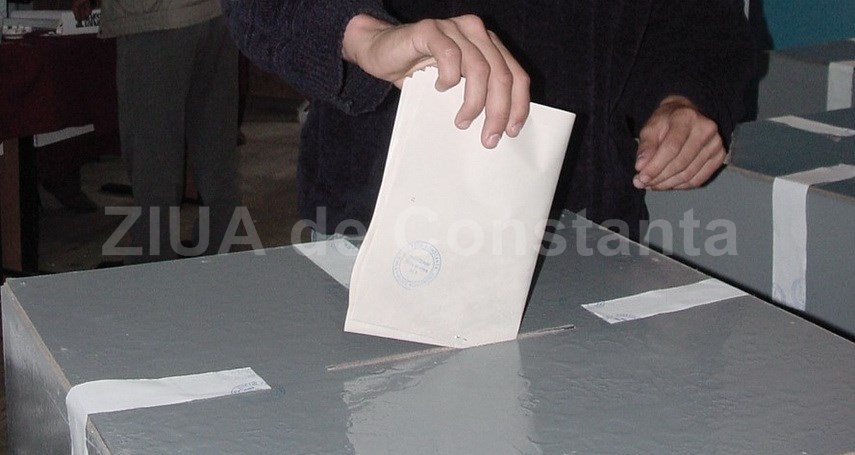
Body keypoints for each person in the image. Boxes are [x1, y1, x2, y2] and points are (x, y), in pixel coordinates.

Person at [221, 0, 753, 240]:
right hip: (384, 221)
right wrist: (366, 36)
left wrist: (685, 98)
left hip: (589, 223)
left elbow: (699, 21)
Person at [73, 0, 241, 263]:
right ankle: (227, 267)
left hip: (154, 18)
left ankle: (152, 271)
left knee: (153, 162)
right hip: (216, 15)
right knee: (217, 155)